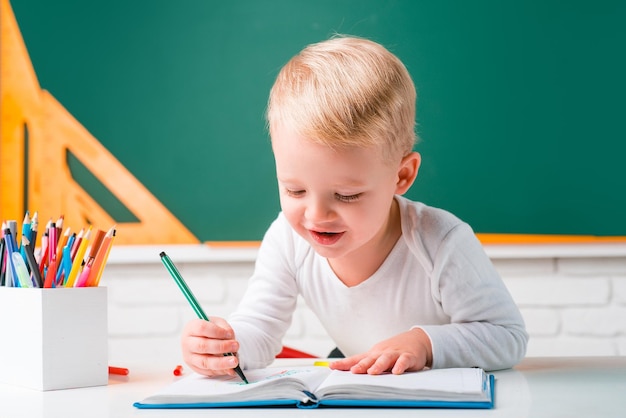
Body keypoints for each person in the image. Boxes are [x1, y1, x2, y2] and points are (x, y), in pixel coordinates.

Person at [181, 35, 528, 378]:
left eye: (346, 196)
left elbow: (507, 337)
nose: (316, 215)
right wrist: (225, 347)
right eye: (295, 190)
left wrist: (423, 344)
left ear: (402, 175)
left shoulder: (441, 242)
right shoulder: (287, 239)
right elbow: (259, 328)